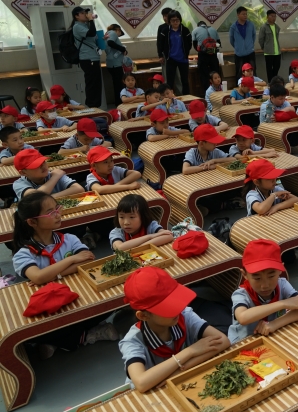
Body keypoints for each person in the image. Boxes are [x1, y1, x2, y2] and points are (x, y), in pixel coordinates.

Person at [13, 192, 117, 360]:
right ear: (32, 222)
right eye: (50, 212)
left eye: (57, 208)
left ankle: (59, 341)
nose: (57, 214)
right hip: (50, 311)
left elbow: (88, 260)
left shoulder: (69, 239)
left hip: (78, 299)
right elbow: (38, 277)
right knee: (29, 331)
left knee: (110, 302)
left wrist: (54, 275)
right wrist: (72, 259)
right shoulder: (23, 254)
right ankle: (84, 336)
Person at [119, 267, 230, 392]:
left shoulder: (184, 315)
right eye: (167, 307)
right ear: (143, 316)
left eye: (174, 300)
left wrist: (178, 371)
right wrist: (190, 351)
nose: (177, 308)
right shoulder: (132, 341)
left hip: (182, 381)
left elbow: (223, 341)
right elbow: (141, 383)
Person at [228, 240, 298, 343]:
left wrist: (274, 324)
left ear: (281, 269)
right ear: (244, 274)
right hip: (242, 343)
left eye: (271, 276)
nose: (265, 285)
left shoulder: (282, 284)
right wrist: (283, 303)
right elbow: (243, 317)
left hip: (272, 336)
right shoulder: (241, 294)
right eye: (257, 278)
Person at [13, 149, 83, 200]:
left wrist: (50, 198)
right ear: (23, 173)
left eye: (43, 162)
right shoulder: (19, 184)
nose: (43, 166)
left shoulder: (54, 174)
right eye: (36, 165)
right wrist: (54, 178)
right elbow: (35, 198)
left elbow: (79, 189)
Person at [71, 6, 102, 108]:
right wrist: (91, 20)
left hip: (93, 57)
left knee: (96, 83)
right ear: (76, 16)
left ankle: (96, 105)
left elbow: (93, 37)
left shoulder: (85, 25)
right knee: (92, 83)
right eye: (83, 13)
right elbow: (91, 33)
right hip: (87, 59)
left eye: (86, 13)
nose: (85, 14)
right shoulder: (77, 27)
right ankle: (92, 105)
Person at [158, 11, 192, 96]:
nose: (175, 22)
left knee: (184, 80)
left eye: (177, 20)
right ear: (169, 21)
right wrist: (160, 55)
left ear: (180, 20)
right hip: (171, 59)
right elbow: (160, 43)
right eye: (173, 20)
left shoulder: (185, 30)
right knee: (170, 81)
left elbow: (189, 43)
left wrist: (186, 52)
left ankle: (187, 97)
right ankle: (169, 97)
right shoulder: (165, 31)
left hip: (183, 59)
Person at [191, 21, 221, 88]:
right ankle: (218, 89)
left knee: (204, 75)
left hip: (203, 56)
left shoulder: (195, 30)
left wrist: (202, 51)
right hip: (213, 55)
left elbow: (195, 44)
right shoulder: (213, 29)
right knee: (215, 74)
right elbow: (219, 43)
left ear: (198, 26)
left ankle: (207, 91)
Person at [229, 6, 257, 77]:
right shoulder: (233, 27)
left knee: (252, 72)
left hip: (250, 53)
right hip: (239, 54)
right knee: (239, 72)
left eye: (246, 14)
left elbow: (253, 36)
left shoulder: (250, 25)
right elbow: (231, 40)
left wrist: (250, 44)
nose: (245, 16)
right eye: (243, 14)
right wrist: (238, 47)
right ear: (238, 15)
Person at [105, 24, 128, 106]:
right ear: (117, 29)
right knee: (119, 84)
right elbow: (110, 42)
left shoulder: (107, 34)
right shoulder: (113, 33)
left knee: (116, 83)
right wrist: (122, 48)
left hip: (111, 63)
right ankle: (120, 102)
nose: (119, 35)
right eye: (119, 32)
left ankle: (118, 102)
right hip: (115, 63)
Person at [257, 9, 282, 81]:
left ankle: (274, 81)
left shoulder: (277, 27)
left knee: (277, 67)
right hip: (268, 52)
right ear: (267, 17)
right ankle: (270, 83)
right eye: (272, 16)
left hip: (277, 51)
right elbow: (261, 39)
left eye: (275, 16)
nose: (274, 18)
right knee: (269, 69)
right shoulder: (264, 27)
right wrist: (264, 47)